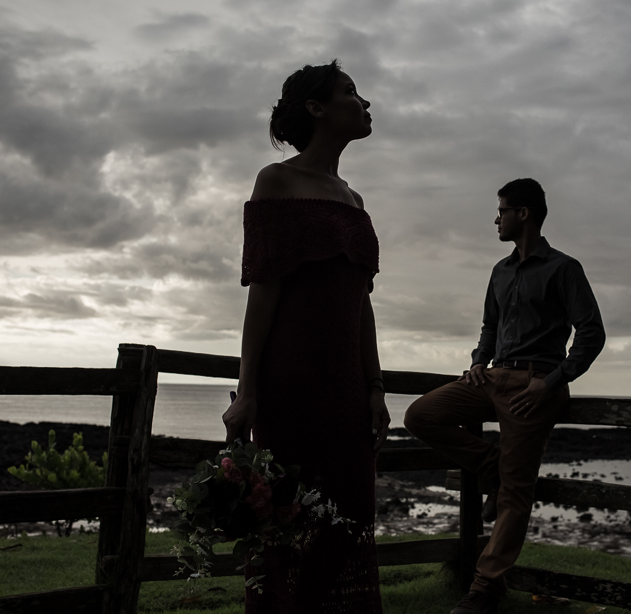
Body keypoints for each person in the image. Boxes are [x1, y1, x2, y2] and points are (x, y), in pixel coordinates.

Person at [222, 59, 389, 613]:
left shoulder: (354, 199)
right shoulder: (277, 180)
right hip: (290, 382)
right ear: (316, 109)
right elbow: (262, 290)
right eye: (350, 92)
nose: (364, 102)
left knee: (349, 517)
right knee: (289, 519)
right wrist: (247, 390)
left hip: (346, 389)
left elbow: (361, 306)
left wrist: (374, 388)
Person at [404, 178, 605, 614]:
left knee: (516, 493)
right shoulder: (500, 270)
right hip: (491, 378)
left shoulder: (564, 268)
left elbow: (591, 333)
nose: (496, 219)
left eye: (502, 211)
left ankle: (486, 587)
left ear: (524, 214)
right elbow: (489, 328)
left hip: (535, 387)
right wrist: (478, 360)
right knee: (420, 415)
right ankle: (492, 464)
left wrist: (549, 383)